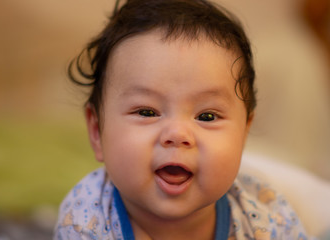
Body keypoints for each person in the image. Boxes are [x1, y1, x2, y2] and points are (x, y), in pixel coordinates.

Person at [54, 0, 311, 239]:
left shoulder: (266, 219)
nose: (177, 134)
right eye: (146, 112)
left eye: (207, 116)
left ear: (243, 133)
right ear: (97, 131)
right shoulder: (85, 222)